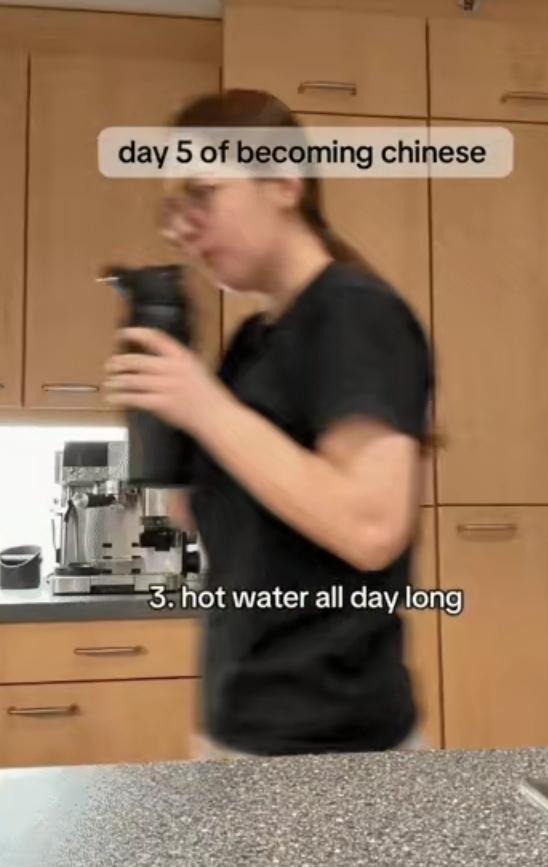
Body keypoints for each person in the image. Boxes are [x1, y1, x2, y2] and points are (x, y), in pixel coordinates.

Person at [103, 89, 435, 760]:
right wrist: (162, 406)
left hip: (336, 750)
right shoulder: (252, 341)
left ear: (283, 183)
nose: (182, 228)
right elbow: (203, 522)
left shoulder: (353, 312)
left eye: (202, 193)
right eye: (174, 209)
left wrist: (206, 407)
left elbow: (370, 528)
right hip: (239, 728)